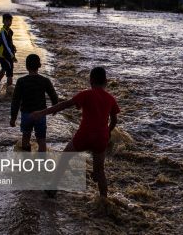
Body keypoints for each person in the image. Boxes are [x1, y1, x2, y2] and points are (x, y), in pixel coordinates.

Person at [31, 67, 120, 198]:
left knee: (65, 158)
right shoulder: (110, 98)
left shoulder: (86, 94)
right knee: (100, 171)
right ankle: (104, 200)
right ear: (106, 81)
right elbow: (114, 120)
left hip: (85, 135)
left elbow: (65, 105)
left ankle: (53, 188)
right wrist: (108, 132)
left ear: (91, 80)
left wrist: (41, 112)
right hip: (101, 137)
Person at [10, 54, 58, 152]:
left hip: (26, 115)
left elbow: (16, 101)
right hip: (41, 114)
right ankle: (41, 163)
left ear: (26, 66)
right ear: (39, 66)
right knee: (41, 141)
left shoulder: (21, 81)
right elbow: (54, 96)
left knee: (26, 138)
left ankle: (26, 161)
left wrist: (13, 118)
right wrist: (54, 109)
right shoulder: (45, 80)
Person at [0, 13, 17, 91]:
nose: (9, 22)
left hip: (8, 54)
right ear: (3, 21)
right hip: (4, 55)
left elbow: (9, 42)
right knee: (10, 72)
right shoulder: (2, 31)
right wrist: (12, 56)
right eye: (7, 21)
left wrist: (13, 46)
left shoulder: (10, 31)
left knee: (4, 68)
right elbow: (5, 45)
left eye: (10, 21)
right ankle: (9, 93)